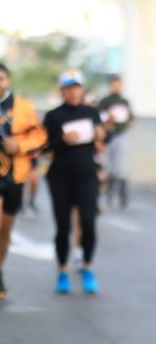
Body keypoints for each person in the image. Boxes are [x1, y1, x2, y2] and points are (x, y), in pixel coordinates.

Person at [42, 70, 106, 295]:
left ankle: (87, 267)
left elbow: (101, 140)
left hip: (87, 175)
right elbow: (45, 148)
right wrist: (62, 140)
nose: (73, 92)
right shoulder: (53, 116)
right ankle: (62, 270)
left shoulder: (91, 112)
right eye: (68, 88)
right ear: (62, 91)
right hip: (60, 177)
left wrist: (101, 135)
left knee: (88, 222)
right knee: (63, 226)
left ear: (82, 89)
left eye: (76, 87)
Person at [0, 62, 48, 300]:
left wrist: (19, 145)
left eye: (1, 79)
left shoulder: (23, 107)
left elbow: (40, 137)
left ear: (8, 81)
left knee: (5, 229)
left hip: (15, 176)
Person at [98, 75, 134, 209]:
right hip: (109, 137)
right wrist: (107, 124)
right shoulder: (105, 101)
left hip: (121, 135)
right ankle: (108, 194)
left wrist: (128, 124)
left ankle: (122, 195)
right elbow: (99, 117)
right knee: (107, 167)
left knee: (120, 168)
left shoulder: (124, 101)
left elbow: (130, 118)